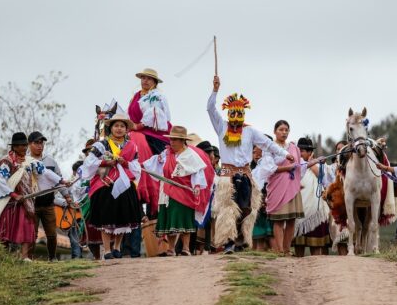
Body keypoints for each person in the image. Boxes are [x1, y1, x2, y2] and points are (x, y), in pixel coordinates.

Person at [207, 75, 294, 253]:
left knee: (245, 209)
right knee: (228, 209)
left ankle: (240, 240)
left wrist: (286, 153)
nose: (236, 116)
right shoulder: (221, 127)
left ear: (243, 113)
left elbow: (268, 144)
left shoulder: (250, 131)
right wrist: (215, 90)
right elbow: (210, 108)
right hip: (227, 176)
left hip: (245, 175)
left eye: (239, 113)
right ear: (228, 113)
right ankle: (228, 242)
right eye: (232, 113)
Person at [0, 132, 66, 261]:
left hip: (26, 202)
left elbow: (45, 172)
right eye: (21, 146)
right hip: (9, 203)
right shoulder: (6, 163)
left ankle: (25, 258)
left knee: (27, 227)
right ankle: (3, 258)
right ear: (15, 147)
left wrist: (61, 181)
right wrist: (13, 194)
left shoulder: (30, 162)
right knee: (5, 232)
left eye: (25, 145)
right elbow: (0, 181)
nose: (24, 148)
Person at [143, 126, 214, 256]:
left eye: (175, 140)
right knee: (170, 218)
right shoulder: (166, 154)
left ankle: (186, 248)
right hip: (166, 190)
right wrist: (144, 164)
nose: (172, 142)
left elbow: (198, 172)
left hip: (183, 191)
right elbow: (154, 164)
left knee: (184, 219)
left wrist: (197, 186)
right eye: (171, 139)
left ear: (183, 141)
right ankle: (171, 248)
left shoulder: (191, 155)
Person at [80, 114, 142, 260]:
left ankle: (117, 247)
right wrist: (105, 163)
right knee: (106, 218)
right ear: (110, 128)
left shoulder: (132, 146)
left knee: (123, 217)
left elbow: (136, 167)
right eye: (116, 126)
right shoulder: (101, 145)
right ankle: (107, 250)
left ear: (126, 129)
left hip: (125, 184)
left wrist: (125, 163)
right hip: (105, 184)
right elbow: (88, 163)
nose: (119, 129)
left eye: (122, 126)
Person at [27, 131, 72, 261]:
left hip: (48, 204)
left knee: (52, 234)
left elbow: (59, 180)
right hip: (31, 205)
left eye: (41, 143)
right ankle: (29, 258)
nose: (40, 146)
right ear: (30, 144)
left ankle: (52, 258)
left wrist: (67, 196)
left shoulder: (51, 161)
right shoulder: (25, 162)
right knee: (32, 234)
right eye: (36, 143)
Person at [265, 121, 307, 255]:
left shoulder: (294, 148)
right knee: (279, 219)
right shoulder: (270, 148)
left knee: (291, 219)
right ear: (275, 131)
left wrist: (316, 162)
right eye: (281, 129)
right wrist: (287, 168)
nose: (284, 132)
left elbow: (300, 166)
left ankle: (287, 249)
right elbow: (268, 168)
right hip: (277, 186)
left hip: (292, 186)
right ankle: (280, 250)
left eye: (286, 130)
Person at [293, 137, 329, 257]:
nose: (300, 153)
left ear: (309, 152)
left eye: (302, 151)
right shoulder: (295, 165)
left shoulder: (318, 166)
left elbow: (324, 180)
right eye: (298, 150)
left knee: (316, 243)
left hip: (315, 208)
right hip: (300, 206)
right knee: (298, 242)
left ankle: (316, 266)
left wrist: (312, 162)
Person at [128, 68, 172, 155]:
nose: (145, 81)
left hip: (153, 131)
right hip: (134, 128)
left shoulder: (156, 96)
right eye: (143, 78)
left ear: (155, 82)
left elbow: (155, 113)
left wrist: (138, 126)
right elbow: (129, 113)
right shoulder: (135, 96)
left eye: (149, 79)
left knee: (157, 150)